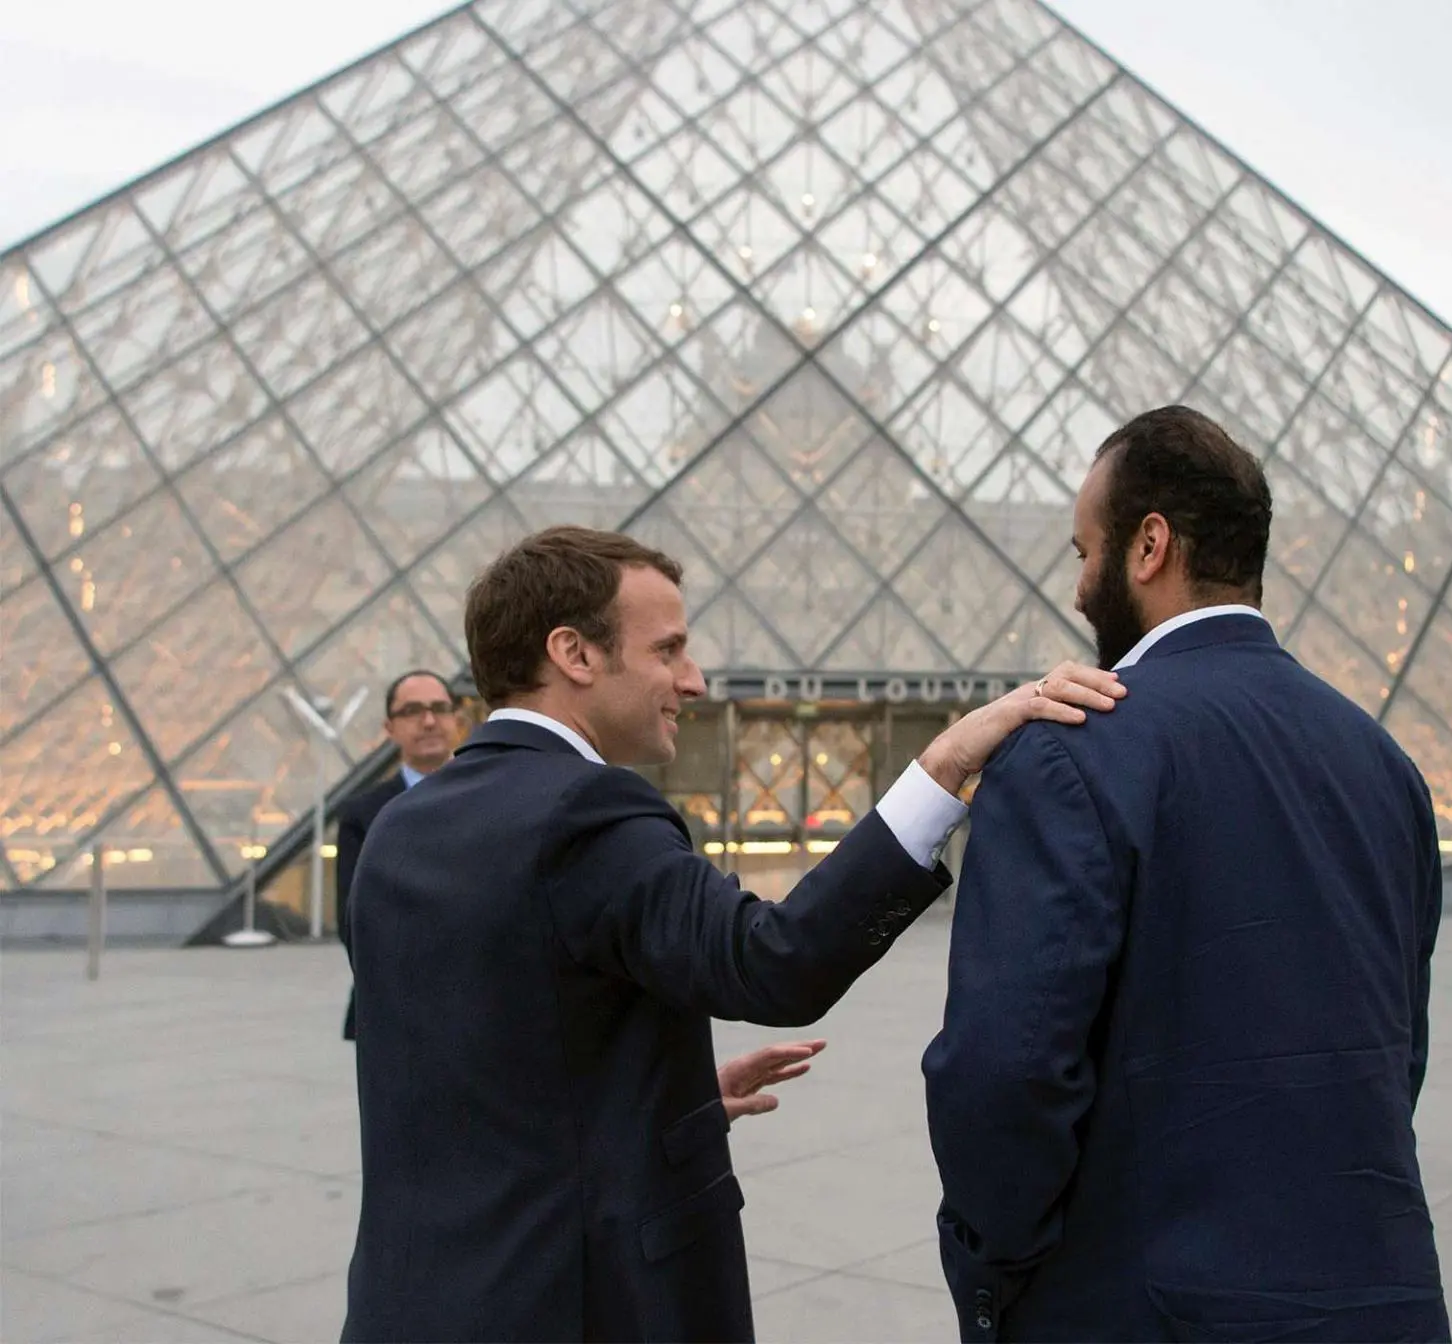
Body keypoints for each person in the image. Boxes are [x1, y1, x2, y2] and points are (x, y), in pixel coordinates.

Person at [341, 526, 1121, 1344]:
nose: (694, 679)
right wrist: (946, 765)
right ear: (574, 653)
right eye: (668, 649)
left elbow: (467, 1068)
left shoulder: (398, 828)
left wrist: (655, 1108)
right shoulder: (585, 810)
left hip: (411, 1305)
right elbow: (775, 961)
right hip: (580, 1308)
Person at [923, 406, 1450, 1343]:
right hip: (1381, 1303)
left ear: (1149, 545)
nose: (1078, 586)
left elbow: (1003, 1075)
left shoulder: (1067, 754)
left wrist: (996, 1270)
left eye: (1086, 550)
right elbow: (1396, 1051)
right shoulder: (1384, 764)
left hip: (1144, 1309)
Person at [336, 670, 458, 1041]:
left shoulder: (499, 798)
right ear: (389, 728)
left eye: (439, 708)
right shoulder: (361, 814)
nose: (429, 721)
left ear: (456, 719)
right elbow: (355, 920)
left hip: (487, 1005)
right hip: (395, 1009)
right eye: (412, 711)